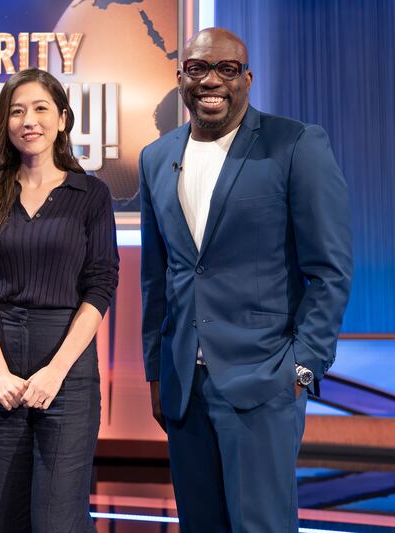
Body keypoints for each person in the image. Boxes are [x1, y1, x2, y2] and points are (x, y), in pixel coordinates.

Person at [139, 27, 353, 532]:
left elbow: (330, 270)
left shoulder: (296, 144)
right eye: (198, 69)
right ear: (181, 77)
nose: (211, 80)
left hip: (265, 381)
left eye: (226, 69)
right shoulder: (154, 157)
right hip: (183, 387)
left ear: (247, 78)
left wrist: (302, 369)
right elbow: (157, 277)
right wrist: (155, 370)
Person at [0, 68, 119, 533]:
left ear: (63, 119)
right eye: (17, 110)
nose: (29, 120)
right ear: (4, 124)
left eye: (41, 108)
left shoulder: (91, 194)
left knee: (57, 519)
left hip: (66, 367)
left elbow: (101, 284)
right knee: (5, 517)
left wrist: (55, 371)